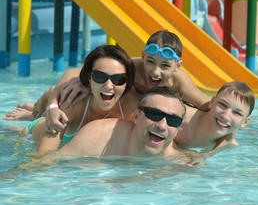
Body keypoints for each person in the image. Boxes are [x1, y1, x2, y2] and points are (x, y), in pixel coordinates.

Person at [4, 30, 211, 131]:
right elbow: (71, 72)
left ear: (178, 66)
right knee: (59, 90)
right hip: (114, 98)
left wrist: (228, 132)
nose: (155, 72)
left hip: (126, 106)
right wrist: (51, 106)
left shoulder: (181, 83)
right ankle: (33, 112)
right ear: (143, 56)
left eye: (165, 66)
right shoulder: (133, 66)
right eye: (150, 62)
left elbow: (210, 106)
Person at [19, 44, 135, 156]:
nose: (109, 86)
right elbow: (43, 156)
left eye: (118, 79)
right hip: (31, 137)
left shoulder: (133, 109)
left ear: (127, 82)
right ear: (89, 78)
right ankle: (45, 100)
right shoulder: (73, 103)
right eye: (100, 76)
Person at [43, 86, 195, 160]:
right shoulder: (98, 136)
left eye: (173, 120)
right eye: (154, 114)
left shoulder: (183, 162)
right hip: (43, 129)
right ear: (136, 116)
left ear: (178, 128)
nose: (162, 126)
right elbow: (47, 164)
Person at [175, 81, 255, 151]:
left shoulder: (229, 148)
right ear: (212, 102)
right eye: (222, 104)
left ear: (245, 122)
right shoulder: (179, 117)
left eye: (237, 113)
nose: (225, 116)